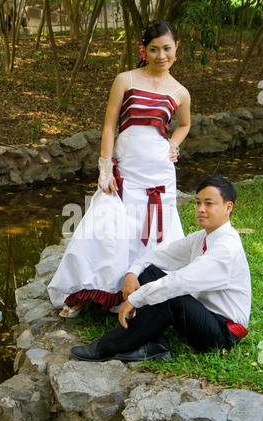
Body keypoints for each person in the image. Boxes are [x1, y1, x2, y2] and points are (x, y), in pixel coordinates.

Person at [48, 20, 191, 318]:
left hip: (159, 174)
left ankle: (144, 293)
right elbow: (110, 125)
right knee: (105, 222)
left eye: (167, 48)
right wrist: (105, 167)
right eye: (154, 49)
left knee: (151, 232)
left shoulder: (180, 92)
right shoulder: (125, 79)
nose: (161, 55)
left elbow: (185, 124)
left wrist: (173, 145)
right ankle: (85, 290)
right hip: (125, 168)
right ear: (144, 50)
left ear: (176, 48)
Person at [71, 176, 252, 362]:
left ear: (228, 207)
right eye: (198, 202)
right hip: (201, 313)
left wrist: (135, 299)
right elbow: (160, 255)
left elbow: (181, 282)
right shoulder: (202, 237)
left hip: (223, 333)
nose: (200, 209)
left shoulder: (226, 249)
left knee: (171, 294)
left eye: (209, 203)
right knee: (149, 270)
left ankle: (107, 347)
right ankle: (157, 344)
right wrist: (133, 272)